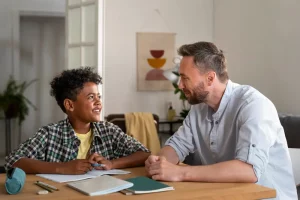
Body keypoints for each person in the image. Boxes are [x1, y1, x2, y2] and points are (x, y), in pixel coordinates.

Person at [145, 42, 297, 199]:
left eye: (185, 78)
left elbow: (249, 170)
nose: (180, 84)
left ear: (210, 78)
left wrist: (180, 172)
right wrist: (159, 162)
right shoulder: (198, 109)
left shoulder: (253, 105)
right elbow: (177, 146)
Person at [5, 67, 150, 175]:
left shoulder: (109, 131)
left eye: (99, 96)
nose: (98, 102)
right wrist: (62, 168)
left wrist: (112, 164)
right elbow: (13, 161)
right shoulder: (50, 134)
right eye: (91, 97)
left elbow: (144, 154)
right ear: (70, 105)